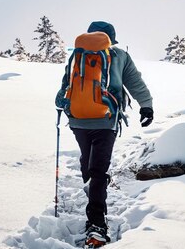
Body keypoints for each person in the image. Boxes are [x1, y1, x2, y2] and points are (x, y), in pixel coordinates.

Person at [56, 21, 154, 246]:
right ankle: (97, 224)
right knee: (99, 169)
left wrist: (63, 104)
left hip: (78, 120)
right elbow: (135, 83)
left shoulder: (78, 55)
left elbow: (65, 85)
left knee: (88, 162)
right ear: (111, 39)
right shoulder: (119, 56)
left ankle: (93, 190)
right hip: (105, 120)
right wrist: (146, 105)